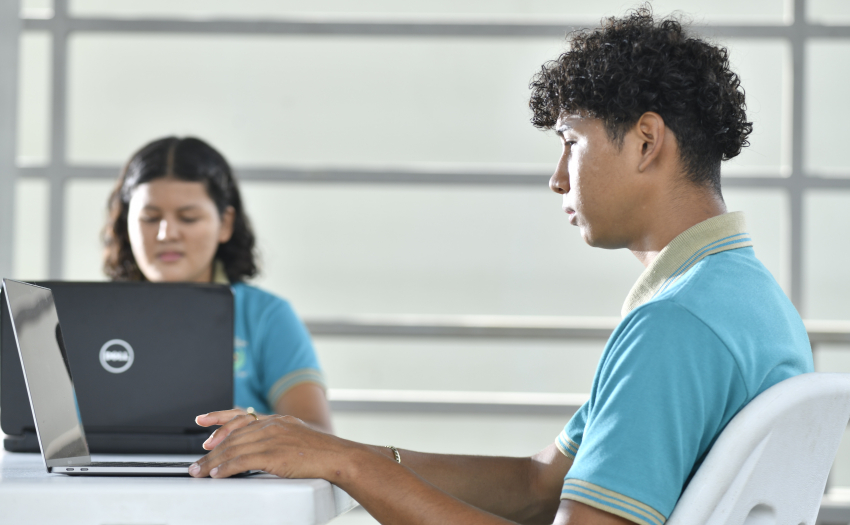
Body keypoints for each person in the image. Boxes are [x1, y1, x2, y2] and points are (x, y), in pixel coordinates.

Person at [188, 9, 813, 525]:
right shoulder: (741, 297)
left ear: (646, 141)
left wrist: (352, 469)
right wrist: (333, 451)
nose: (558, 178)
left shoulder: (676, 325)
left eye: (571, 141)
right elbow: (542, 483)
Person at [102, 136, 333, 434]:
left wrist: (249, 427)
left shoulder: (265, 315)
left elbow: (321, 436)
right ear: (126, 224)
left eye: (188, 218)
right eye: (150, 218)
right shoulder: (93, 316)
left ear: (225, 224)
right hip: (112, 480)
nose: (166, 234)